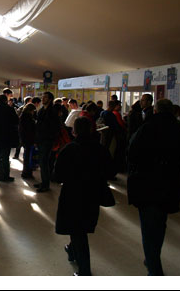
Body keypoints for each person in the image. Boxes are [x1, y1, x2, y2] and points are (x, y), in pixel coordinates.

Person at [127, 99, 180, 276]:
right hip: (170, 184)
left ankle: (155, 270)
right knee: (160, 224)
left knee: (148, 228)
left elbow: (132, 153)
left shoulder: (147, 128)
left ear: (155, 111)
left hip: (147, 184)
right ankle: (153, 258)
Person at [53, 117, 112, 276]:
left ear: (74, 131)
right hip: (93, 194)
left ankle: (85, 270)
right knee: (81, 227)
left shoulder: (69, 149)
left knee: (77, 230)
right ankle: (71, 250)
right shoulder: (100, 149)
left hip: (72, 194)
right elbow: (110, 171)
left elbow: (57, 175)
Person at [33, 91, 60, 193]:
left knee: (44, 162)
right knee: (42, 162)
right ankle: (44, 182)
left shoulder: (52, 111)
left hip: (47, 140)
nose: (42, 99)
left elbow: (55, 127)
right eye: (42, 97)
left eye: (45, 97)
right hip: (41, 139)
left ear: (50, 99)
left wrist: (50, 137)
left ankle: (45, 184)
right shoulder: (42, 110)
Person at [19, 103, 37, 179]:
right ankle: (27, 172)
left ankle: (25, 172)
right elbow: (31, 129)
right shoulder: (28, 118)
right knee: (28, 156)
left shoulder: (22, 116)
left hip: (24, 139)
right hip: (29, 139)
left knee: (26, 156)